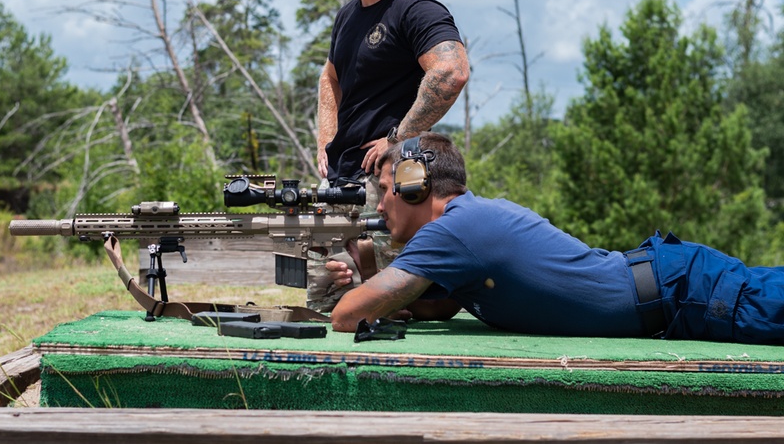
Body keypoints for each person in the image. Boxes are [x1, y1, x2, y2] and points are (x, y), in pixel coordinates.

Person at [330, 131, 784, 346]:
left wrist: (365, 285)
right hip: (673, 291)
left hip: (688, 293)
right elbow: (442, 306)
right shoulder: (464, 225)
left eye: (387, 191)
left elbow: (347, 316)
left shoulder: (454, 230)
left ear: (416, 185)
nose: (382, 205)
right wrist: (370, 270)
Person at [306, 0, 470, 312]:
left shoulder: (416, 9)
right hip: (341, 184)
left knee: (399, 310)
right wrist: (326, 142)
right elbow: (330, 79)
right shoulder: (347, 16)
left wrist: (398, 140)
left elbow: (451, 70)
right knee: (321, 307)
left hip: (386, 186)